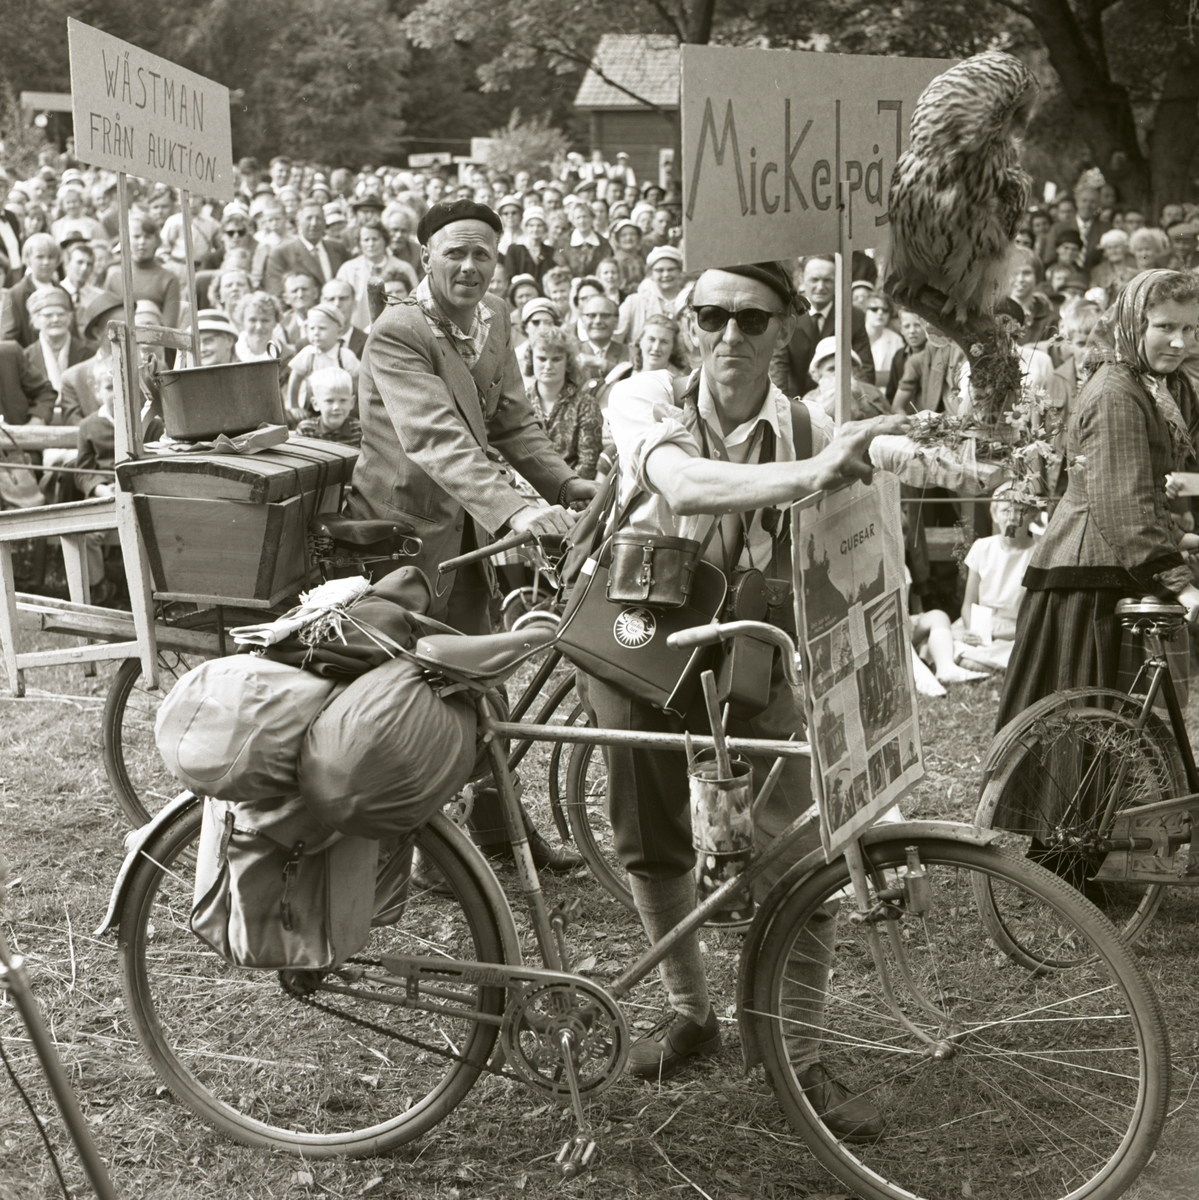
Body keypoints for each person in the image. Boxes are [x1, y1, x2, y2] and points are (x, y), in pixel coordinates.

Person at [585, 258, 900, 1129]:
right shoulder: (642, 396)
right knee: (648, 832)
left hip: (762, 642)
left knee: (801, 845)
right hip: (642, 638)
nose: (729, 334)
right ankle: (691, 1013)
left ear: (788, 328)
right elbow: (681, 483)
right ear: (686, 323)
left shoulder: (812, 421)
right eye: (711, 315)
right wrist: (810, 475)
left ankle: (796, 1051)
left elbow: (858, 557)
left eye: (752, 319)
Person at [348, 198, 595, 871]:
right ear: (423, 255)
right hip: (401, 541)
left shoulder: (492, 324)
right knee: (405, 697)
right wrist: (514, 510)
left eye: (482, 252)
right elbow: (437, 438)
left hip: (465, 540)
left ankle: (496, 832)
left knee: (479, 682)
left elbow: (514, 424)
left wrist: (565, 485)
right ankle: (410, 855)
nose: (468, 264)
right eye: (454, 250)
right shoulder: (398, 332)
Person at [995, 270, 1199, 758]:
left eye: (1191, 330)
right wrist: (1181, 583)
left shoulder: (1161, 385)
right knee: (1090, 723)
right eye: (1165, 327)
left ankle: (1136, 820)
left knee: (1136, 724)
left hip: (1122, 563)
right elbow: (1122, 502)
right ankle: (1086, 829)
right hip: (1092, 578)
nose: (1179, 341)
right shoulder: (1115, 392)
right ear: (1133, 323)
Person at [953, 485, 1037, 672]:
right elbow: (968, 603)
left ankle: (983, 661)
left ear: (1031, 515)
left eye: (1020, 511)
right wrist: (971, 630)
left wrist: (998, 634)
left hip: (1015, 629)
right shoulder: (982, 547)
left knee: (1024, 653)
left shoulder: (1037, 554)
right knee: (947, 640)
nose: (1012, 518)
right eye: (1005, 510)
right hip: (981, 625)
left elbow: (1033, 617)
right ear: (994, 515)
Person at [772, 255, 874, 397]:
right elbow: (778, 368)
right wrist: (785, 408)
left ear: (837, 281)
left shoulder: (852, 315)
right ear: (801, 280)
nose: (820, 287)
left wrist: (862, 403)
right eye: (814, 279)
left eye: (827, 280)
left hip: (840, 402)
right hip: (795, 402)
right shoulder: (788, 314)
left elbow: (865, 369)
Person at [519, 324, 603, 478]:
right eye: (542, 359)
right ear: (531, 359)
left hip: (570, 493)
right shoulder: (519, 402)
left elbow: (588, 464)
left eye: (556, 359)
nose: (548, 366)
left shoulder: (585, 404)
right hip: (524, 492)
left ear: (568, 362)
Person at [102, 214, 181, 330]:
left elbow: (169, 327)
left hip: (154, 343)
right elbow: (107, 320)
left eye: (148, 237)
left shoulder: (168, 279)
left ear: (157, 241)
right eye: (136, 236)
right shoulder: (114, 275)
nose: (142, 242)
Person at [286, 302, 359, 421]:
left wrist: (355, 408)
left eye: (322, 328)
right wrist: (294, 406)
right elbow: (295, 379)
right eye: (312, 328)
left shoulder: (344, 355)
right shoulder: (309, 354)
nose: (316, 333)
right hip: (313, 409)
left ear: (339, 333)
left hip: (339, 408)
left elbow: (357, 384)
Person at [263, 199, 350, 297]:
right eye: (309, 218)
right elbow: (277, 293)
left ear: (325, 222)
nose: (314, 223)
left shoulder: (338, 248)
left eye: (319, 218)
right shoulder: (281, 254)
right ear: (298, 222)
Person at [337, 223, 412, 333]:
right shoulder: (347, 269)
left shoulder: (404, 267)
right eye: (366, 240)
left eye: (375, 239)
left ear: (385, 240)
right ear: (359, 243)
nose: (371, 244)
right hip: (359, 331)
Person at [23, 287, 89, 406]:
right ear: (35, 320)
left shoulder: (88, 352)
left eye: (61, 314)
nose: (56, 319)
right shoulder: (25, 357)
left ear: (70, 317)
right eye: (48, 315)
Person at [803, 337, 891, 420]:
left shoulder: (874, 393)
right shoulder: (809, 401)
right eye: (832, 369)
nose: (839, 374)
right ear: (817, 375)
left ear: (855, 370)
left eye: (845, 367)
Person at [2, 233, 63, 347]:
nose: (46, 262)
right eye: (40, 257)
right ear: (28, 260)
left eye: (51, 257)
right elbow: (7, 340)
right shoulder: (16, 294)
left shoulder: (62, 292)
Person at [296, 367, 361, 446]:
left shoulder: (360, 430)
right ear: (315, 404)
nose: (336, 407)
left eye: (343, 400)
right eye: (329, 401)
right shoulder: (306, 430)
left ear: (352, 402)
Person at [863, 292, 905, 393]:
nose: (880, 313)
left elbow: (899, 375)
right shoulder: (853, 335)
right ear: (865, 311)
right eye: (874, 309)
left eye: (885, 310)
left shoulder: (896, 339)